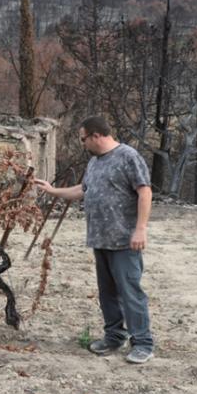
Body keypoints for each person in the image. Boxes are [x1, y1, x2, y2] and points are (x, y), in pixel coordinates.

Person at [35, 115, 155, 364]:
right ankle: (114, 336)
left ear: (95, 136)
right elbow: (84, 190)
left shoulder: (128, 157)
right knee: (108, 293)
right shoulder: (95, 162)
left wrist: (140, 229)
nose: (83, 144)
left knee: (130, 292)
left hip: (124, 240)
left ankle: (142, 343)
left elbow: (145, 192)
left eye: (83, 139)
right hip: (100, 239)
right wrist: (52, 190)